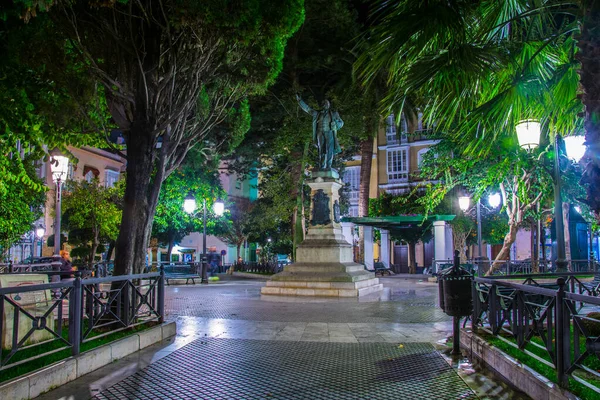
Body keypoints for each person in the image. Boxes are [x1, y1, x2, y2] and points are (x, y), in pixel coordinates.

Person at [296, 94, 344, 170]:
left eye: (326, 103)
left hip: (329, 132)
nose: (325, 105)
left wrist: (336, 124)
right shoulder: (318, 114)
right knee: (321, 150)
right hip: (320, 133)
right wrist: (300, 101)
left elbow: (341, 123)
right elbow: (308, 109)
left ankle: (328, 166)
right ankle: (322, 166)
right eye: (324, 104)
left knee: (329, 150)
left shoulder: (334, 114)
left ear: (329, 105)